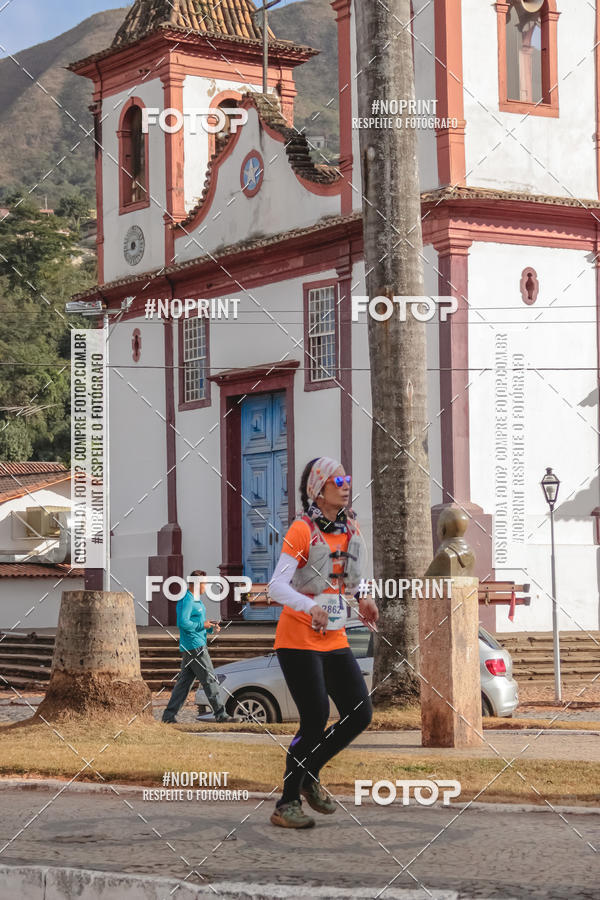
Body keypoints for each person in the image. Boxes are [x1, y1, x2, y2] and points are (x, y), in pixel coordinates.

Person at [267, 457, 379, 828]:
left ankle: (309, 773)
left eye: (347, 478)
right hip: (297, 638)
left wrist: (364, 597)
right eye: (337, 480)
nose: (345, 485)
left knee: (360, 713)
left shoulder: (350, 528)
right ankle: (286, 802)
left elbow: (355, 576)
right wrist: (308, 605)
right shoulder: (302, 530)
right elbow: (277, 586)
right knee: (314, 719)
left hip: (334, 637)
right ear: (319, 489)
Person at [162, 569, 239, 724]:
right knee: (210, 679)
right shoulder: (187, 600)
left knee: (183, 684)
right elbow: (183, 623)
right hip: (195, 646)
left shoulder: (195, 599)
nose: (206, 586)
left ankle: (168, 717)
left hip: (194, 645)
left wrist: (209, 627)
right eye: (204, 583)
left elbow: (197, 623)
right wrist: (201, 625)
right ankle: (221, 715)